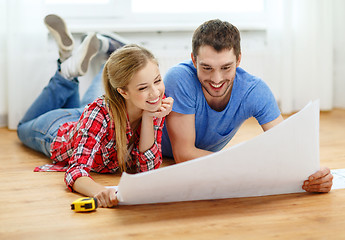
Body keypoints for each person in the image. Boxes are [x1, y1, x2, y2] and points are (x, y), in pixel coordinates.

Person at [17, 14, 174, 208]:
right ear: (123, 91)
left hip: (90, 120)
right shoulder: (99, 113)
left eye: (157, 81)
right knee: (22, 127)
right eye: (143, 88)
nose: (155, 92)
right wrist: (100, 191)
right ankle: (66, 72)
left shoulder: (152, 104)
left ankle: (73, 61)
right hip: (58, 130)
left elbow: (147, 169)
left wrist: (150, 117)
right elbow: (76, 171)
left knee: (90, 108)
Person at [161, 19, 333, 193]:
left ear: (239, 59)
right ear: (193, 59)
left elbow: (285, 146)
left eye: (226, 67)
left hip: (201, 165)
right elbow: (183, 154)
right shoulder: (179, 78)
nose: (216, 79)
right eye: (206, 68)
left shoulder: (254, 91)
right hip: (152, 160)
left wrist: (316, 174)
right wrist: (246, 167)